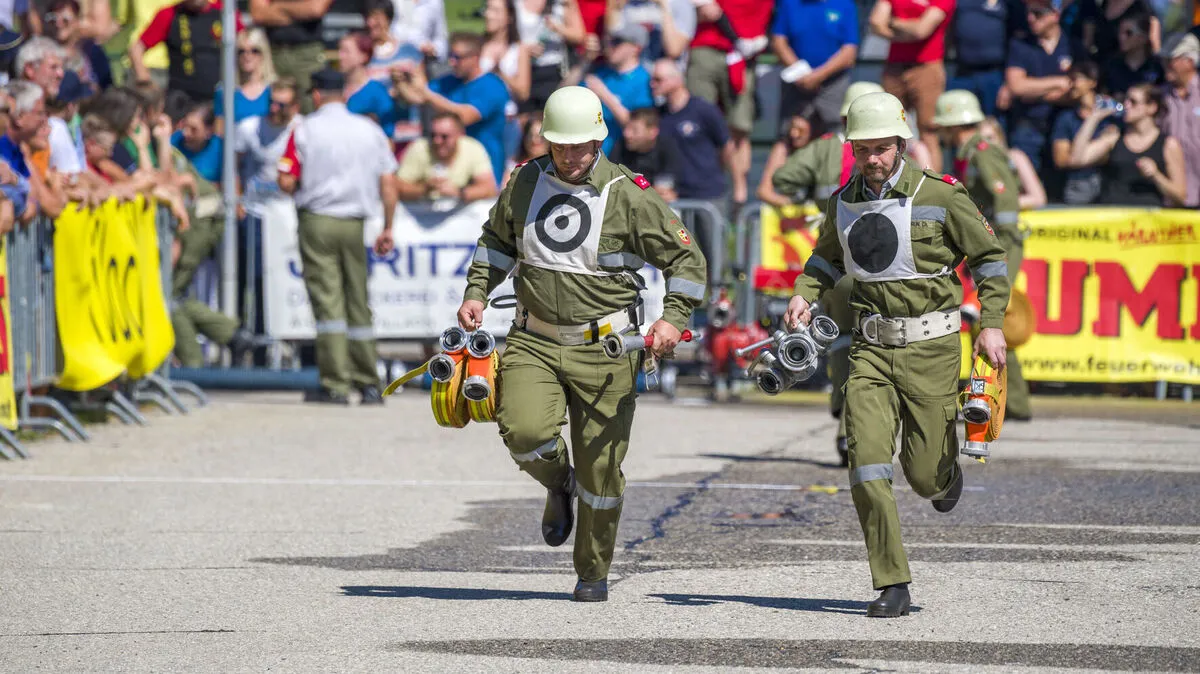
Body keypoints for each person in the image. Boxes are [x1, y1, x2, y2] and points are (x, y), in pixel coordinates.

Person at [457, 85, 708, 602]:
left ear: (599, 139)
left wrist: (671, 318)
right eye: (560, 146)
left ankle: (592, 571)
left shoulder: (630, 194)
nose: (570, 157)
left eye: (580, 146)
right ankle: (558, 481)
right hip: (533, 339)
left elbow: (687, 262)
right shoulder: (525, 181)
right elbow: (497, 241)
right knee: (524, 433)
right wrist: (477, 292)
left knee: (602, 471)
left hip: (608, 348)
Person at [784, 91, 1010, 618]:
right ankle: (892, 583)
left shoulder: (944, 195)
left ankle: (945, 476)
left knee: (925, 476)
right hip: (868, 351)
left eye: (882, 147)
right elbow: (824, 256)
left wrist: (992, 324)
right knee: (865, 466)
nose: (873, 158)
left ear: (901, 144)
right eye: (862, 149)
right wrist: (804, 291)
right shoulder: (843, 202)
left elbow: (990, 260)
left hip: (932, 349)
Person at [769, 80, 883, 465]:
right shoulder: (889, 151)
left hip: (836, 261)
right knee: (872, 344)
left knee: (839, 340)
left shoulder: (822, 148)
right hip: (879, 265)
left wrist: (810, 202)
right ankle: (852, 431)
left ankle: (841, 409)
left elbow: (781, 179)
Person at [277, 67, 400, 405]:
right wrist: (388, 226)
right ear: (344, 94)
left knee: (328, 302)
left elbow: (286, 179)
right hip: (355, 222)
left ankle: (335, 383)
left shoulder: (303, 130)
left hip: (318, 220)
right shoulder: (369, 130)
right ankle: (369, 382)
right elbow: (389, 182)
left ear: (316, 95)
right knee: (358, 300)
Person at [935, 89, 1031, 422]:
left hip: (1000, 245)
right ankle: (1011, 401)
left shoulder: (981, 153)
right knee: (989, 322)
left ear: (952, 125)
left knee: (990, 318)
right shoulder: (968, 153)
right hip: (989, 244)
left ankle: (1006, 401)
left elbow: (1004, 202)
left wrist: (999, 250)